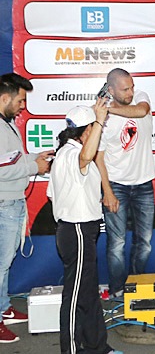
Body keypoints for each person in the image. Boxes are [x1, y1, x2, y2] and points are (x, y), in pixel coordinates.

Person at [49, 100, 119, 354]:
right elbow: (86, 156)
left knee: (88, 292)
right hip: (75, 230)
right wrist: (100, 120)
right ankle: (71, 351)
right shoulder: (71, 155)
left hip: (83, 230)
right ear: (87, 131)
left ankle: (97, 346)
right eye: (95, 128)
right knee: (75, 295)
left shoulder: (68, 155)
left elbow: (54, 194)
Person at [95, 68, 155, 299]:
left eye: (131, 86)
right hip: (117, 184)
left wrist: (106, 109)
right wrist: (107, 191)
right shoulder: (103, 121)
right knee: (117, 243)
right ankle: (118, 289)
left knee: (146, 242)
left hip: (144, 184)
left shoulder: (140, 97)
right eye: (124, 89)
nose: (130, 92)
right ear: (110, 89)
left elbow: (141, 111)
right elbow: (98, 158)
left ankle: (136, 285)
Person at [0, 73, 46, 343]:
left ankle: (3, 307)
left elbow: (11, 160)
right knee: (0, 263)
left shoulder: (8, 124)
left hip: (12, 202)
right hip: (4, 203)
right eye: (19, 100)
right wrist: (34, 167)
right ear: (4, 98)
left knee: (4, 263)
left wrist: (33, 159)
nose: (22, 106)